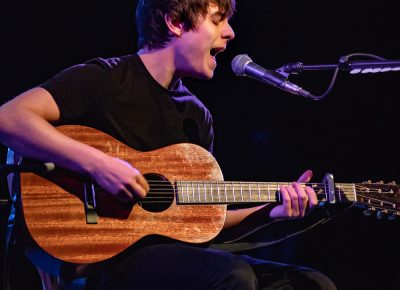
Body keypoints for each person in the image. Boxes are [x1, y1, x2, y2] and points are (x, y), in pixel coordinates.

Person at [0, 0, 337, 289]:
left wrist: (271, 213)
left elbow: (202, 224)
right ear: (176, 23)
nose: (231, 32)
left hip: (168, 257)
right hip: (99, 257)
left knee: (311, 284)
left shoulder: (197, 117)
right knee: (232, 276)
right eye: (218, 19)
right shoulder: (105, 80)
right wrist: (99, 165)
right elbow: (9, 118)